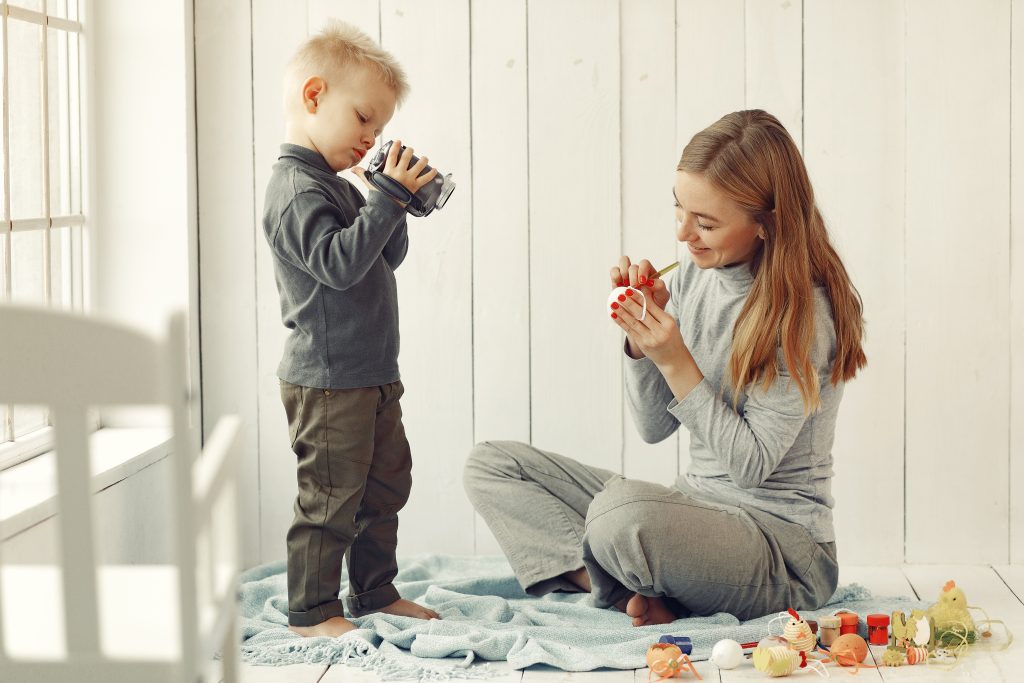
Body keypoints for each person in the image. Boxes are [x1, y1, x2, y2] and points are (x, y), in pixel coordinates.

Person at [464, 109, 867, 624]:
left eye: (706, 223)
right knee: (492, 465)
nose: (684, 235)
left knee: (619, 515)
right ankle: (618, 583)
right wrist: (642, 344)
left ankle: (624, 577)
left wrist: (674, 358)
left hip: (782, 548)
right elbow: (655, 428)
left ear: (765, 224)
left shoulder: (801, 316)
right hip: (692, 509)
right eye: (680, 210)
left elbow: (749, 467)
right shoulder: (697, 278)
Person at [262, 21, 441, 638]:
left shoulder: (338, 185)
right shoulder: (292, 192)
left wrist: (396, 205)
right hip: (328, 380)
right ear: (314, 96)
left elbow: (383, 258)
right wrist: (383, 202)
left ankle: (374, 592)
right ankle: (312, 612)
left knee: (386, 485)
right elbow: (338, 266)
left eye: (379, 130)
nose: (371, 139)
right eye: (363, 119)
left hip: (370, 373)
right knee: (330, 499)